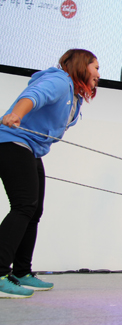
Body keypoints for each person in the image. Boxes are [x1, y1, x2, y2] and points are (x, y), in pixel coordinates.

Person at [0, 49, 100, 298]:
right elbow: (33, 96)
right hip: (13, 142)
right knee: (24, 206)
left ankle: (22, 272)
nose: (99, 74)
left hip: (31, 149)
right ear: (80, 66)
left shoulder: (73, 94)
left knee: (33, 211)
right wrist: (16, 114)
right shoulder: (58, 81)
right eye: (95, 68)